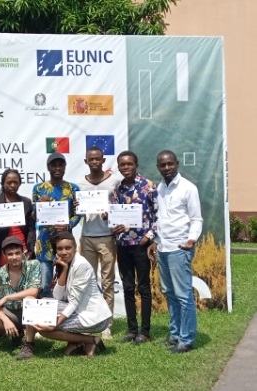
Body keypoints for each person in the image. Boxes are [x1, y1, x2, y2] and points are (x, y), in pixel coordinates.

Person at [148, 150, 203, 354]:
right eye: (163, 165)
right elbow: (159, 219)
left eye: (170, 164)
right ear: (158, 167)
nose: (167, 168)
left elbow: (196, 219)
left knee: (183, 295)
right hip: (163, 248)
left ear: (177, 164)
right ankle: (175, 334)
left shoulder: (188, 188)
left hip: (180, 248)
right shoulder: (160, 188)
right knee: (170, 293)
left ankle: (186, 339)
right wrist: (155, 241)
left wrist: (191, 239)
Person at [31, 231, 112, 358]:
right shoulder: (65, 262)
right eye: (60, 249)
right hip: (80, 310)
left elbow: (73, 303)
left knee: (45, 329)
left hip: (96, 318)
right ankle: (77, 342)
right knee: (45, 302)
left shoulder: (81, 264)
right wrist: (63, 269)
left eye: (68, 248)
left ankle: (91, 340)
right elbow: (58, 296)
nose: (64, 252)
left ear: (75, 248)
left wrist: (55, 324)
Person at [111, 151, 157, 345]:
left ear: (136, 164)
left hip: (141, 245)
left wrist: (149, 237)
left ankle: (145, 332)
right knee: (128, 287)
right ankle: (132, 330)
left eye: (129, 164)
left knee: (144, 287)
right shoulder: (116, 190)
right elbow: (113, 218)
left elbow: (158, 215)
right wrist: (114, 227)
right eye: (122, 164)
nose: (126, 167)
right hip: (123, 245)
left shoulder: (148, 186)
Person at [76, 146, 120, 339]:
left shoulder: (114, 182)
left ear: (103, 161)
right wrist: (77, 207)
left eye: (98, 159)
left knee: (108, 281)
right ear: (86, 162)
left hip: (107, 238)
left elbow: (122, 205)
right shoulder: (79, 185)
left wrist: (112, 213)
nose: (94, 162)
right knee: (88, 281)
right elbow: (75, 213)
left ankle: (107, 324)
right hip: (87, 238)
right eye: (90, 159)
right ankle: (90, 320)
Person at [32, 152, 81, 297]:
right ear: (48, 167)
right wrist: (38, 206)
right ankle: (45, 317)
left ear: (65, 167)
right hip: (45, 244)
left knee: (65, 282)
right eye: (54, 165)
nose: (57, 168)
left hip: (65, 244)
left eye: (61, 165)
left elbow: (78, 213)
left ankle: (63, 315)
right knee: (44, 284)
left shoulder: (73, 189)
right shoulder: (38, 188)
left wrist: (68, 225)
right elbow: (33, 216)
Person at [0, 236, 41, 360]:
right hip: (10, 312)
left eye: (17, 253)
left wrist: (7, 298)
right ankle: (16, 335)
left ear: (23, 252)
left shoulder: (33, 265)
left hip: (29, 311)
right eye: (10, 254)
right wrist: (5, 320)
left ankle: (29, 345)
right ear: (4, 255)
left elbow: (34, 291)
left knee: (30, 300)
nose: (14, 257)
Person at [0, 168, 36, 265]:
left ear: (20, 183)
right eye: (9, 182)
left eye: (16, 182)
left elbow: (31, 229)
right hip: (2, 249)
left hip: (22, 248)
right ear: (3, 183)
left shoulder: (26, 202)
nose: (13, 185)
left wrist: (31, 250)